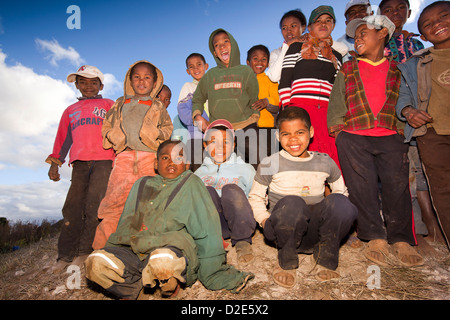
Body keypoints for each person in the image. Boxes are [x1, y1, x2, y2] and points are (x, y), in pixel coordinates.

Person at [85, 140, 254, 299]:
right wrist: (114, 248)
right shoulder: (142, 184)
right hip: (136, 247)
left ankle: (170, 284)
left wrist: (213, 271)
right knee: (96, 263)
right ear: (155, 164)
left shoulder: (192, 183)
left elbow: (207, 230)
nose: (171, 162)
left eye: (178, 158)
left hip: (172, 248)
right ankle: (134, 289)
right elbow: (128, 221)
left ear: (187, 165)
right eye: (165, 158)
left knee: (162, 260)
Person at [328, 15, 424, 267]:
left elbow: (404, 99)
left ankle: (401, 239)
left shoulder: (397, 69)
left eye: (363, 33)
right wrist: (339, 132)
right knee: (362, 188)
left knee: (397, 186)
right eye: (355, 36)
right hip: (354, 135)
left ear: (382, 34)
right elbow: (337, 101)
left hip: (390, 135)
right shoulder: (348, 68)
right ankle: (375, 237)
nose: (357, 39)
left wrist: (402, 130)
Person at [248, 107, 357, 287]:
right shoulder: (269, 163)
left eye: (300, 132)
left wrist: (334, 217)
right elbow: (255, 197)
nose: (293, 139)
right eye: (286, 134)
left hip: (316, 233)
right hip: (284, 231)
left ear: (311, 132)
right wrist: (265, 220)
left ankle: (325, 257)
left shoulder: (325, 161)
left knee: (343, 204)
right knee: (292, 202)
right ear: (277, 136)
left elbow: (341, 192)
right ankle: (287, 262)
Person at [92, 60, 173, 250]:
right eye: (137, 77)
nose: (141, 81)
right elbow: (107, 126)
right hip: (124, 159)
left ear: (155, 82)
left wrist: (155, 135)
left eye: (147, 77)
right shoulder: (120, 103)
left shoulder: (157, 106)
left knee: (150, 201)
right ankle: (102, 250)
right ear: (130, 80)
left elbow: (167, 129)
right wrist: (115, 137)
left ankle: (147, 247)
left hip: (149, 158)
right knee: (114, 201)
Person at [46, 65, 115, 272]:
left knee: (95, 205)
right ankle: (65, 254)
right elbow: (63, 139)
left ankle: (85, 251)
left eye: (93, 82)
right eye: (83, 82)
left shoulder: (109, 105)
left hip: (104, 160)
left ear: (101, 85)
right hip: (79, 163)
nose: (88, 86)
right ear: (76, 85)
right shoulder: (70, 111)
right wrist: (55, 162)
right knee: (73, 206)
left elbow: (118, 131)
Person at [379, 0, 436, 252]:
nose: (394, 13)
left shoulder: (416, 44)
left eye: (400, 8)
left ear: (408, 12)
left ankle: (432, 228)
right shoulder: (377, 43)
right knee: (399, 176)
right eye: (388, 10)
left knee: (423, 174)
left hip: (420, 115)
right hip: (389, 115)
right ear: (380, 15)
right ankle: (410, 232)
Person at [396, 0, 450, 249]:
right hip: (433, 133)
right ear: (423, 33)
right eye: (428, 24)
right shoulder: (415, 63)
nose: (436, 24)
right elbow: (404, 95)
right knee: (441, 191)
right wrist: (407, 111)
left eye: (443, 16)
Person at [279, 5, 343, 169]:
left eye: (328, 21)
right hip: (301, 109)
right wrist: (290, 113)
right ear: (309, 27)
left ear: (333, 25)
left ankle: (333, 194)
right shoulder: (296, 47)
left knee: (331, 158)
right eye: (318, 21)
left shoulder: (337, 56)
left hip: (327, 113)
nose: (323, 24)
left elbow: (337, 90)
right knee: (303, 155)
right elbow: (285, 81)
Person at [191, 29, 261, 168]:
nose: (222, 46)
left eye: (226, 42)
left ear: (233, 44)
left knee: (257, 159)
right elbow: (197, 98)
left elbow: (254, 98)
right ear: (214, 52)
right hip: (219, 130)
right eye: (217, 45)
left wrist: (254, 116)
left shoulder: (246, 71)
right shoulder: (210, 75)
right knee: (199, 158)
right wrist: (197, 116)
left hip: (245, 126)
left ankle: (259, 189)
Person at [194, 120, 256, 264]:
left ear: (233, 145)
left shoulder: (245, 169)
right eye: (213, 142)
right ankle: (211, 241)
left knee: (230, 189)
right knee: (206, 191)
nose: (220, 147)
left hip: (238, 221)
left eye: (226, 142)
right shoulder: (198, 173)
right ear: (205, 146)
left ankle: (242, 241)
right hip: (214, 225)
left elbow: (255, 196)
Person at [175, 53, 210, 171]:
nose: (195, 68)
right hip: (197, 136)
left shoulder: (213, 86)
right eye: (191, 66)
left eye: (199, 64)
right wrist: (197, 120)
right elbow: (182, 110)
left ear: (206, 66)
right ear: (188, 71)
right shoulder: (188, 87)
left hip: (216, 135)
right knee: (198, 168)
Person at [266, 9, 307, 84]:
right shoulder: (277, 53)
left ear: (303, 27)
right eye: (284, 28)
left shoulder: (312, 48)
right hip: (289, 95)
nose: (288, 30)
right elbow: (274, 77)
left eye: (293, 26)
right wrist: (287, 46)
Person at [246, 44, 280, 128]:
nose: (260, 62)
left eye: (263, 59)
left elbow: (277, 101)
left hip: (268, 126)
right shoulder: (243, 81)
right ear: (248, 62)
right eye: (255, 59)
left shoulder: (271, 80)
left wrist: (267, 102)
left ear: (268, 63)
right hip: (247, 127)